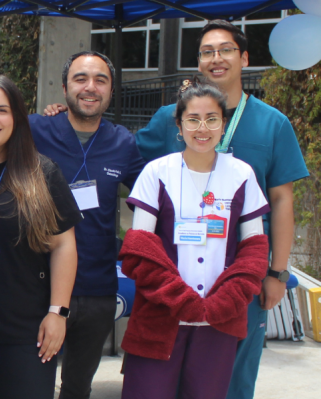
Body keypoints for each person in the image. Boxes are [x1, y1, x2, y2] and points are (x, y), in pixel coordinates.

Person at [130, 20, 308, 399]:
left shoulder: (273, 124)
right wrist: (67, 122)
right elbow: (124, 155)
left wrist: (276, 271)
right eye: (207, 51)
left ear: (244, 58)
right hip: (171, 282)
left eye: (226, 49)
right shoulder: (167, 118)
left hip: (241, 278)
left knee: (231, 376)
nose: (217, 58)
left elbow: (281, 201)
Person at [119, 79, 270, 399]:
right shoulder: (156, 172)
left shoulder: (242, 174)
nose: (202, 128)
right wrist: (182, 301)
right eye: (193, 119)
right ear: (179, 123)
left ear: (223, 124)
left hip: (220, 322)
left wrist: (222, 303)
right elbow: (140, 249)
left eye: (212, 119)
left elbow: (255, 250)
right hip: (160, 317)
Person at [0, 75, 82, 399]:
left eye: (2, 110)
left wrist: (57, 312)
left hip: (25, 328)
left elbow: (64, 245)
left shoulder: (42, 172)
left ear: (17, 117)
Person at [29, 51, 145, 399]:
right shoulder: (35, 130)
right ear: (64, 87)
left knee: (78, 388)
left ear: (111, 91)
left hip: (97, 289)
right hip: (36, 286)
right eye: (80, 78)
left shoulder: (122, 142)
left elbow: (158, 194)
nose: (90, 87)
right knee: (30, 384)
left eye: (100, 80)